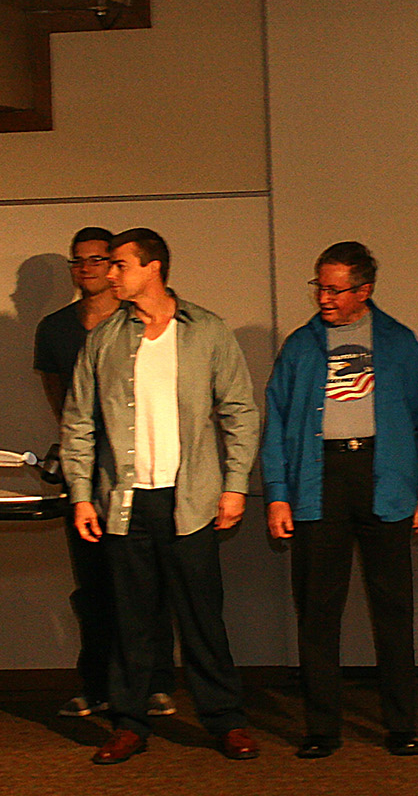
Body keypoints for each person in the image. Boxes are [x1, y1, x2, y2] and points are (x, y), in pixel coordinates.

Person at [60, 228, 261, 765]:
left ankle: (225, 719)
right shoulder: (104, 339)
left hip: (190, 498)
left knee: (201, 617)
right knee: (131, 619)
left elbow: (239, 411)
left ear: (153, 268)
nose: (111, 274)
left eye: (121, 265)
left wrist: (236, 485)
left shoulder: (206, 331)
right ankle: (129, 723)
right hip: (125, 503)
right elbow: (78, 422)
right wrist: (82, 495)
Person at [262, 241, 418, 760]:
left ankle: (401, 724)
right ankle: (322, 728)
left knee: (393, 609)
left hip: (384, 479)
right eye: (319, 286)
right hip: (318, 482)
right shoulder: (300, 347)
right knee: (318, 611)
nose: (324, 298)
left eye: (335, 289)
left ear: (365, 291)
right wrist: (277, 496)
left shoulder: (399, 342)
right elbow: (275, 426)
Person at [34, 227, 175, 720]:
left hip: (144, 469)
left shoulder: (140, 321)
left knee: (148, 582)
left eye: (99, 260)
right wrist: (80, 459)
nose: (88, 269)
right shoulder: (55, 329)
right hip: (87, 474)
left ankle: (155, 683)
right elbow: (61, 397)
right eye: (80, 261)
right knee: (93, 585)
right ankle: (95, 684)